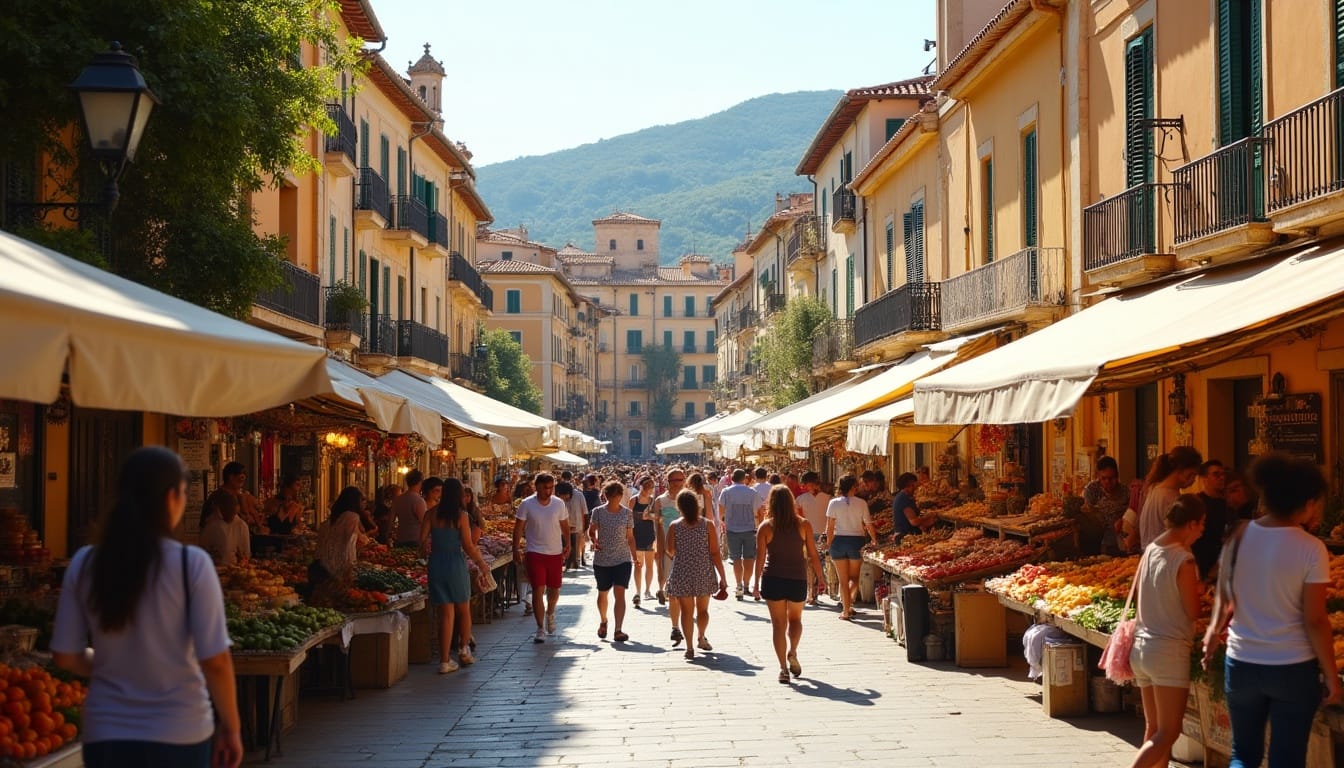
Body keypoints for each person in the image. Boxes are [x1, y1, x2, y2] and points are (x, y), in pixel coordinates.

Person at [52, 446, 242, 768]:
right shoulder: (191, 564)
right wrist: (232, 727)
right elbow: (216, 661)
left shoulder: (84, 563)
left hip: (107, 734)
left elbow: (65, 656)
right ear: (171, 498)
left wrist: (115, 664)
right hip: (180, 732)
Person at [1202, 454, 1341, 768]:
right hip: (1292, 668)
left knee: (1243, 754)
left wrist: (1212, 634)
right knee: (1286, 759)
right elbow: (1315, 619)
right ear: (1305, 502)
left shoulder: (1238, 535)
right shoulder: (1311, 548)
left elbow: (1223, 595)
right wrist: (1332, 676)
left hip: (1241, 663)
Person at [1128, 494, 1206, 768]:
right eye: (1202, 525)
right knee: (1169, 732)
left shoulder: (1151, 549)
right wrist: (1200, 592)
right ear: (1192, 523)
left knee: (1154, 730)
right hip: (1168, 652)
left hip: (1141, 648)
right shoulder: (1184, 559)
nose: (1202, 531)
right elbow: (1193, 611)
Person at [754, 486, 826, 684]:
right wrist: (820, 578)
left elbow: (760, 558)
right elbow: (813, 554)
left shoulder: (766, 527)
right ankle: (792, 651)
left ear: (771, 503)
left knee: (778, 625)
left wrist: (755, 583)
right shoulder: (804, 524)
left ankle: (783, 669)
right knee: (795, 620)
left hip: (773, 578)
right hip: (797, 578)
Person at [420, 477, 490, 674]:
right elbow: (468, 545)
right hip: (455, 564)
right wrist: (482, 563)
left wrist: (430, 550)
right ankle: (464, 650)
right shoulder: (462, 516)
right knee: (463, 609)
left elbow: (421, 543)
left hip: (436, 564)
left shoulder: (430, 514)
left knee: (445, 613)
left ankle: (444, 661)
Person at [664, 490, 728, 660]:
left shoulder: (674, 525)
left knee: (686, 612)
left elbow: (670, 550)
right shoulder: (707, 525)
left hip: (682, 572)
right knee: (703, 610)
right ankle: (701, 636)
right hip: (703, 571)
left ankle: (689, 647)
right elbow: (715, 553)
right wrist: (723, 577)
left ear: (679, 507)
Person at [513, 474, 571, 644]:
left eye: (551, 487)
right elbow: (518, 527)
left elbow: (564, 524)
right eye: (545, 488)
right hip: (534, 552)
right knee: (538, 589)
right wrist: (515, 548)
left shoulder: (558, 504)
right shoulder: (526, 504)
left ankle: (550, 613)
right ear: (536, 487)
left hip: (555, 553)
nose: (548, 491)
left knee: (554, 590)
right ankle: (540, 628)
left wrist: (568, 543)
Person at [588, 481, 636, 643]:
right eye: (611, 495)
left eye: (617, 495)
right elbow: (591, 530)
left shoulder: (627, 513)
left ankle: (618, 629)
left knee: (620, 593)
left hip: (622, 559)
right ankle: (603, 620)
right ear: (606, 495)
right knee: (603, 593)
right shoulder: (598, 512)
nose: (614, 498)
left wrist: (635, 557)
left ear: (621, 496)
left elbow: (630, 537)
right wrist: (594, 540)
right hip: (602, 560)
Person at [826, 475, 878, 621]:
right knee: (854, 578)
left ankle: (846, 610)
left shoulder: (833, 503)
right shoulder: (861, 503)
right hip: (856, 542)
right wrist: (874, 539)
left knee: (843, 580)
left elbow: (830, 527)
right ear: (853, 487)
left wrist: (828, 544)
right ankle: (848, 605)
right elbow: (868, 524)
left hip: (838, 542)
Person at [1138, 447, 1202, 548]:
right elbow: (1179, 535)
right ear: (1180, 469)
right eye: (1192, 474)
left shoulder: (1154, 489)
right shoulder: (1169, 498)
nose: (1193, 480)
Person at [653, 469, 688, 639]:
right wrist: (659, 548)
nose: (677, 483)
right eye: (674, 480)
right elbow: (657, 527)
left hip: (687, 548)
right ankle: (676, 624)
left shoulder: (689, 499)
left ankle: (684, 618)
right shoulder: (660, 501)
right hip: (668, 548)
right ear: (668, 482)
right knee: (672, 584)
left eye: (680, 480)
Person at [720, 468, 765, 600]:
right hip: (749, 528)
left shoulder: (726, 491)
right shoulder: (752, 492)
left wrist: (723, 521)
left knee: (736, 559)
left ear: (732, 478)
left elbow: (721, 509)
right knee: (749, 558)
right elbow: (760, 510)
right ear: (744, 479)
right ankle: (746, 585)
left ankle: (739, 585)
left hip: (732, 529)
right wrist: (759, 524)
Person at [317, 487, 369, 582]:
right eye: (362, 500)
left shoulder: (335, 517)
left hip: (325, 564)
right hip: (341, 564)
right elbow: (353, 540)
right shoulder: (351, 517)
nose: (363, 504)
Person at [795, 471, 832, 605]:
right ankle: (814, 592)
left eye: (806, 484)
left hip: (815, 535)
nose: (805, 486)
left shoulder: (802, 499)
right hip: (816, 535)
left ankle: (813, 593)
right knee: (816, 564)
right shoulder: (827, 498)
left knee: (814, 565)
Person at [1082, 456, 1130, 556]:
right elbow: (1088, 516)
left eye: (1111, 478)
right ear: (1098, 476)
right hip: (1098, 542)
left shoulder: (1125, 491)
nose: (1108, 482)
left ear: (1117, 476)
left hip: (1122, 542)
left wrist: (1123, 520)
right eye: (1103, 478)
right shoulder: (1092, 490)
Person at [1191, 460, 1230, 579]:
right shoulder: (1196, 503)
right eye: (1216, 474)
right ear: (1204, 478)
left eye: (1223, 474)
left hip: (1223, 566)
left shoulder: (1227, 504)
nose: (1222, 477)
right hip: (1202, 565)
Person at [200, 490, 250, 567]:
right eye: (228, 511)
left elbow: (245, 556)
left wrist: (242, 563)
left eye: (233, 513)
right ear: (220, 508)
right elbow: (203, 550)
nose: (231, 516)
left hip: (233, 569)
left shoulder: (241, 526)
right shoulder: (211, 523)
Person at [631, 476, 658, 606]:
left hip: (649, 534)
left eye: (651, 487)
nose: (650, 490)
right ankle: (637, 591)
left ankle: (647, 590)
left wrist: (649, 516)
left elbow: (658, 516)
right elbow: (628, 516)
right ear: (641, 487)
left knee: (649, 564)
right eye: (648, 487)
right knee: (638, 564)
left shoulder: (653, 501)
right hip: (636, 534)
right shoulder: (633, 500)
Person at [220, 462, 263, 531]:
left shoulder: (238, 496)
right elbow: (230, 520)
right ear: (231, 477)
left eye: (244, 475)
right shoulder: (224, 496)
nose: (244, 477)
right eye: (241, 476)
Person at [892, 472, 934, 541]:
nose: (914, 487)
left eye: (913, 485)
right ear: (906, 486)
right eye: (912, 485)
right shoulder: (903, 498)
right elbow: (914, 521)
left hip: (908, 533)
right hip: (904, 536)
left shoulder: (907, 497)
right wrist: (927, 517)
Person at [557, 481, 589, 570]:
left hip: (577, 528)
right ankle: (566, 564)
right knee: (565, 547)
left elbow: (585, 512)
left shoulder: (579, 495)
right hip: (562, 529)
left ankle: (575, 562)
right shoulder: (557, 499)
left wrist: (585, 529)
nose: (565, 499)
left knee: (575, 548)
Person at [392, 469, 427, 547]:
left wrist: (388, 535)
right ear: (420, 482)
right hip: (415, 539)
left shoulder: (398, 499)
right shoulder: (419, 500)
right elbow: (424, 522)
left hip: (401, 538)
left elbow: (391, 520)